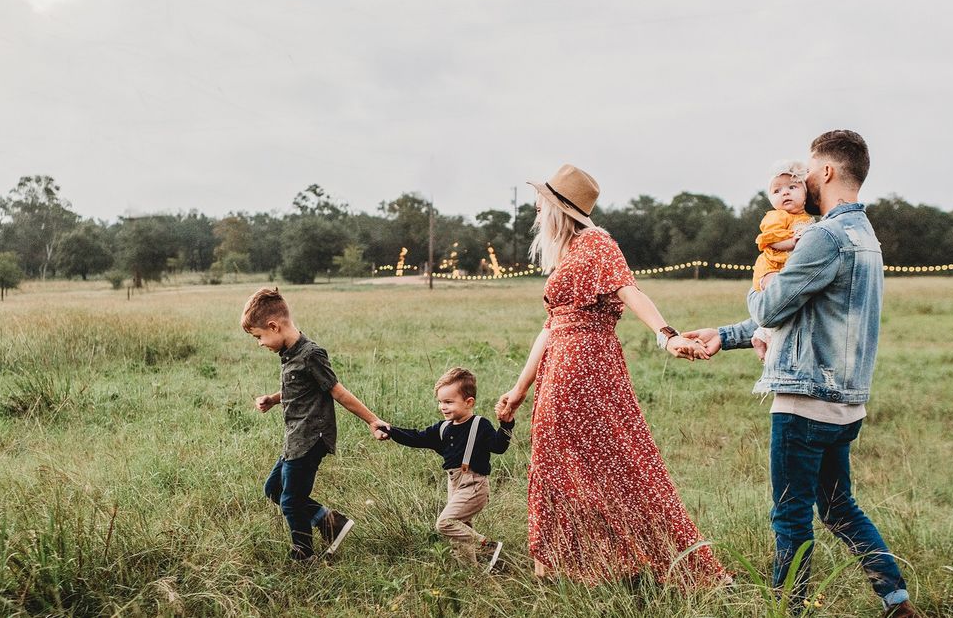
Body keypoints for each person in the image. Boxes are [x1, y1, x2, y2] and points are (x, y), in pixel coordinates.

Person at [685, 131, 916, 617]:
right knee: (838, 508)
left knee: (790, 516)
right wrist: (725, 335)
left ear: (827, 172)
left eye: (809, 169)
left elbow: (771, 305)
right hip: (846, 402)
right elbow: (804, 314)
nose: (803, 178)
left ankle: (789, 610)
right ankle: (896, 600)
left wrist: (760, 278)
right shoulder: (865, 237)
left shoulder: (824, 236)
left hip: (805, 401)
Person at [494, 163, 727, 585]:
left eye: (540, 205)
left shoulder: (597, 243)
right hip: (562, 367)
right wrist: (519, 388)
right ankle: (564, 567)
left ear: (559, 209)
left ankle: (626, 564)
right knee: (567, 466)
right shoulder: (569, 253)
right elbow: (550, 326)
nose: (535, 212)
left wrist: (666, 335)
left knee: (613, 464)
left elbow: (630, 290)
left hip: (584, 368)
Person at [241, 287, 391, 560]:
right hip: (295, 437)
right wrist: (274, 399)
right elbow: (299, 389)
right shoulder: (289, 354)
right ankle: (330, 523)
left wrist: (373, 421)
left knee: (290, 500)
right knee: (274, 489)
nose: (260, 343)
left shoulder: (311, 354)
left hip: (311, 438)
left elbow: (338, 392)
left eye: (259, 337)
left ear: (274, 326)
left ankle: (304, 553)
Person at [380, 367, 514, 571]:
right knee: (460, 533)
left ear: (469, 402)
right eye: (440, 402)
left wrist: (506, 424)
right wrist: (391, 431)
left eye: (449, 402)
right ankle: (472, 574)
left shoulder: (480, 425)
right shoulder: (443, 428)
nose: (443, 407)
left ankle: (487, 546)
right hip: (454, 484)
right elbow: (416, 437)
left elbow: (499, 447)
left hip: (474, 485)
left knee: (446, 523)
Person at [751, 160, 814, 360]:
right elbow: (770, 240)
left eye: (792, 187)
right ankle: (766, 336)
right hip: (770, 267)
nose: (785, 193)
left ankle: (762, 334)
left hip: (785, 267)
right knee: (777, 296)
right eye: (777, 191)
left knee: (787, 301)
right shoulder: (777, 216)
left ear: (805, 194)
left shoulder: (807, 218)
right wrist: (792, 242)